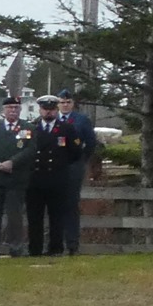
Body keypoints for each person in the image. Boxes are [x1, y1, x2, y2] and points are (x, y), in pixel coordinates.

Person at [24, 93, 87, 256]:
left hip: (57, 179)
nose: (48, 112)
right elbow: (22, 149)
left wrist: (61, 163)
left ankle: (56, 248)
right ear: (40, 110)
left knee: (57, 217)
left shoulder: (67, 129)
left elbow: (76, 152)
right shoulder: (31, 128)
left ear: (56, 110)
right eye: (45, 109)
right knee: (34, 217)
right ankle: (35, 249)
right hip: (35, 180)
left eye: (51, 109)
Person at [0, 95, 31, 257]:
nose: (13, 110)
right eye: (10, 107)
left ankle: (16, 248)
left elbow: (30, 149)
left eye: (16, 108)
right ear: (4, 110)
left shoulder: (27, 127)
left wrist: (12, 162)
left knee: (15, 216)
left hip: (16, 179)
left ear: (20, 109)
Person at [55, 90, 99, 253]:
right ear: (58, 104)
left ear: (73, 104)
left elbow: (91, 143)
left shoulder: (81, 120)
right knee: (54, 205)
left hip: (73, 167)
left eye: (68, 102)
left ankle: (72, 244)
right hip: (54, 168)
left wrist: (80, 160)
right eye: (62, 102)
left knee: (71, 205)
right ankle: (55, 243)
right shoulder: (52, 119)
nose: (65, 105)